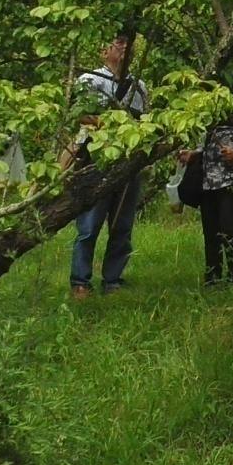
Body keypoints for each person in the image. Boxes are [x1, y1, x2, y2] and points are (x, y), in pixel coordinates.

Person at [68, 32, 149, 300]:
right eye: (119, 43)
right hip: (96, 160)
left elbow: (145, 120)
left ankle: (113, 280)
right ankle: (80, 281)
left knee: (122, 225)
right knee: (89, 225)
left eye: (129, 44)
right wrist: (113, 125)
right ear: (105, 50)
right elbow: (80, 115)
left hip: (128, 162)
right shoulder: (89, 80)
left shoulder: (139, 86)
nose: (125, 48)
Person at [180, 114, 233, 287]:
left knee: (228, 230)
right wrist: (192, 155)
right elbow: (206, 148)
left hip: (232, 183)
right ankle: (212, 277)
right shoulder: (208, 113)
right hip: (208, 183)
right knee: (210, 232)